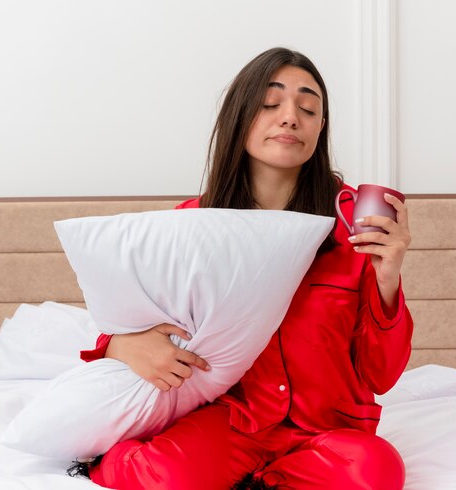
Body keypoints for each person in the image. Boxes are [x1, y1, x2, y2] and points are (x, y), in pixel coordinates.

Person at [79, 47, 413, 489]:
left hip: (327, 431)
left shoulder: (356, 222)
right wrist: (122, 344)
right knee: (165, 478)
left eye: (308, 107)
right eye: (270, 104)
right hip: (231, 420)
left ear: (320, 126)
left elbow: (380, 377)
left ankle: (253, 480)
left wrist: (388, 280)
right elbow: (126, 320)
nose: (290, 117)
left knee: (377, 470)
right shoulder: (191, 223)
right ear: (240, 118)